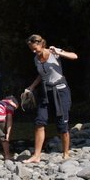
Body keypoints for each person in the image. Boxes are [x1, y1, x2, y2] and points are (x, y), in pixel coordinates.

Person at [23, 34, 78, 163]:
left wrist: (59, 52)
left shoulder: (54, 53)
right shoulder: (36, 59)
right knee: (39, 122)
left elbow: (75, 56)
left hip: (61, 91)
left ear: (42, 44)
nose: (34, 51)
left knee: (62, 124)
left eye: (35, 48)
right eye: (31, 49)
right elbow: (41, 75)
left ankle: (66, 153)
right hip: (46, 92)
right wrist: (31, 87)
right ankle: (36, 155)